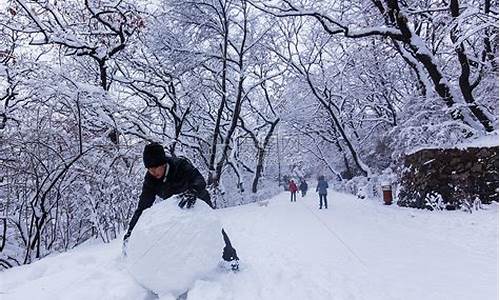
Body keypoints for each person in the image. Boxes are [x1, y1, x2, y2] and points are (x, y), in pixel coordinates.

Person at [123, 142, 239, 270]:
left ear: (163, 163)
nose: (152, 171)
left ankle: (230, 258)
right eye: (149, 169)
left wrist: (193, 191)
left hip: (198, 199)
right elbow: (142, 207)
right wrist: (130, 232)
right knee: (181, 234)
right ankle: (190, 264)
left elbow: (199, 179)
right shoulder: (151, 180)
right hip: (177, 207)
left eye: (155, 167)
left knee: (210, 227)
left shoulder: (180, 165)